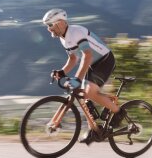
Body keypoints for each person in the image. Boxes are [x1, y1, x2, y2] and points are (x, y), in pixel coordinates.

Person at [42, 8, 126, 145]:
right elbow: (73, 59)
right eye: (47, 26)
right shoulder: (64, 39)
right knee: (82, 95)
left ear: (61, 23)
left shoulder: (76, 32)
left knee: (89, 91)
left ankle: (118, 112)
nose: (49, 29)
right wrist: (62, 72)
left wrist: (78, 79)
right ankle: (93, 129)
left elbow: (87, 56)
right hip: (92, 64)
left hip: (105, 60)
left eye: (50, 25)